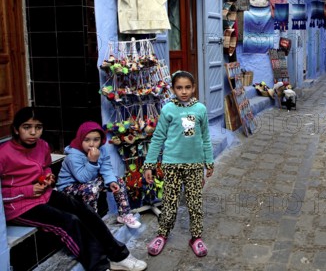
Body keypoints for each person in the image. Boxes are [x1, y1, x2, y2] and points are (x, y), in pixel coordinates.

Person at [0, 107, 147, 271]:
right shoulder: (4, 154)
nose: (33, 132)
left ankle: (119, 256)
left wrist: (48, 177)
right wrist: (28, 190)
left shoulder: (42, 146)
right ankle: (98, 266)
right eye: (27, 127)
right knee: (68, 221)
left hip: (44, 194)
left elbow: (46, 167)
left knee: (84, 211)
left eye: (38, 127)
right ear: (15, 129)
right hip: (18, 206)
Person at [143, 70, 214, 258]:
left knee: (195, 203)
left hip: (195, 165)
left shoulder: (200, 110)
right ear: (173, 89)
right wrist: (149, 164)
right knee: (170, 203)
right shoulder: (168, 109)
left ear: (194, 88)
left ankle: (196, 237)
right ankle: (162, 234)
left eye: (188, 87)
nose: (184, 91)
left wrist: (209, 161)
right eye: (179, 88)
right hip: (172, 164)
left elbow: (206, 137)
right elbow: (158, 138)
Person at [56, 121, 141, 229]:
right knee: (91, 188)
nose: (91, 144)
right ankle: (92, 222)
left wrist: (111, 182)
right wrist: (92, 161)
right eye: (86, 140)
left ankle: (124, 214)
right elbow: (83, 178)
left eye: (96, 140)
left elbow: (106, 168)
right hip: (68, 188)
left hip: (90, 182)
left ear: (101, 140)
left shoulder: (101, 150)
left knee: (117, 181)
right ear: (80, 139)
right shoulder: (73, 156)